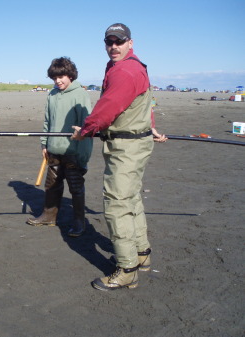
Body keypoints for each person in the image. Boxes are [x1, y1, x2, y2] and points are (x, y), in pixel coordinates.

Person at [72, 23, 166, 290]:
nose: (113, 46)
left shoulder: (125, 70)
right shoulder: (130, 67)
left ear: (130, 43)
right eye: (109, 42)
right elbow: (143, 102)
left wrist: (86, 131)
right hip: (135, 143)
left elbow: (108, 107)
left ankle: (127, 270)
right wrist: (150, 125)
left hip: (127, 148)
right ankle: (141, 254)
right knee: (131, 199)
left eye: (119, 41)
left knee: (116, 204)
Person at [27, 57, 93, 237]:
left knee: (75, 187)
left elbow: (87, 125)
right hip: (53, 148)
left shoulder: (80, 94)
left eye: (61, 76)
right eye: (54, 78)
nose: (58, 81)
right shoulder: (52, 94)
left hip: (74, 151)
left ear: (70, 75)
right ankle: (49, 216)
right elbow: (48, 121)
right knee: (51, 185)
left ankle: (79, 222)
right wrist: (44, 142)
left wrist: (83, 153)